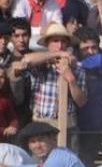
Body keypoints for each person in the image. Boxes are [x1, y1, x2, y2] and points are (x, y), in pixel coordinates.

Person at [12, 23, 87, 151]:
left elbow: (81, 102)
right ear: (47, 44)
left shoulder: (77, 68)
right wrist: (55, 55)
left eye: (63, 41)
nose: (60, 45)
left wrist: (71, 80)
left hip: (68, 125)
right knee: (40, 166)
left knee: (68, 165)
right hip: (41, 123)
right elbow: (25, 61)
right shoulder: (40, 64)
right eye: (55, 41)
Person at [75, 26, 102, 167]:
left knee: (88, 163)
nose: (90, 51)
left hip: (95, 124)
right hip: (74, 121)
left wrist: (79, 64)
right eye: (85, 48)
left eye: (94, 47)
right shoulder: (72, 58)